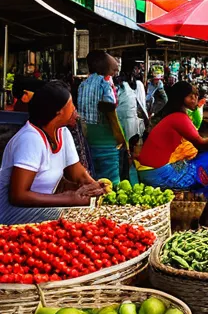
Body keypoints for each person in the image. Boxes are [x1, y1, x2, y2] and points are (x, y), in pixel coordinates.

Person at [0, 81, 104, 225]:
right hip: (12, 215)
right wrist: (69, 199)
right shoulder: (30, 139)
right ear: (58, 111)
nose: (75, 109)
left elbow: (77, 173)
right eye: (71, 104)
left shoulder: (63, 132)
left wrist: (95, 188)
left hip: (40, 210)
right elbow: (18, 195)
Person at [137, 81, 208, 198]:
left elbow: (196, 135)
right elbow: (201, 144)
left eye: (196, 96)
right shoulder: (179, 118)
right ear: (181, 98)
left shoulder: (173, 115)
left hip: (148, 170)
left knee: (197, 163)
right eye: (191, 97)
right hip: (157, 173)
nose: (195, 99)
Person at [78, 50, 124, 184]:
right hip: (106, 142)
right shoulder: (105, 83)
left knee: (94, 180)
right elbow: (110, 109)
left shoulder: (82, 85)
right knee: (111, 182)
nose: (115, 72)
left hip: (88, 140)